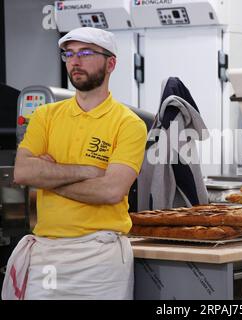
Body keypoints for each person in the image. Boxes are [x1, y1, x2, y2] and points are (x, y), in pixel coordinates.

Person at [1, 27, 147, 300]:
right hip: (48, 253)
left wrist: (48, 178)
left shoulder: (128, 124)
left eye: (86, 53)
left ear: (111, 63)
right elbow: (22, 172)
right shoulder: (46, 116)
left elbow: (110, 191)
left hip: (100, 256)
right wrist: (88, 171)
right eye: (68, 54)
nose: (74, 61)